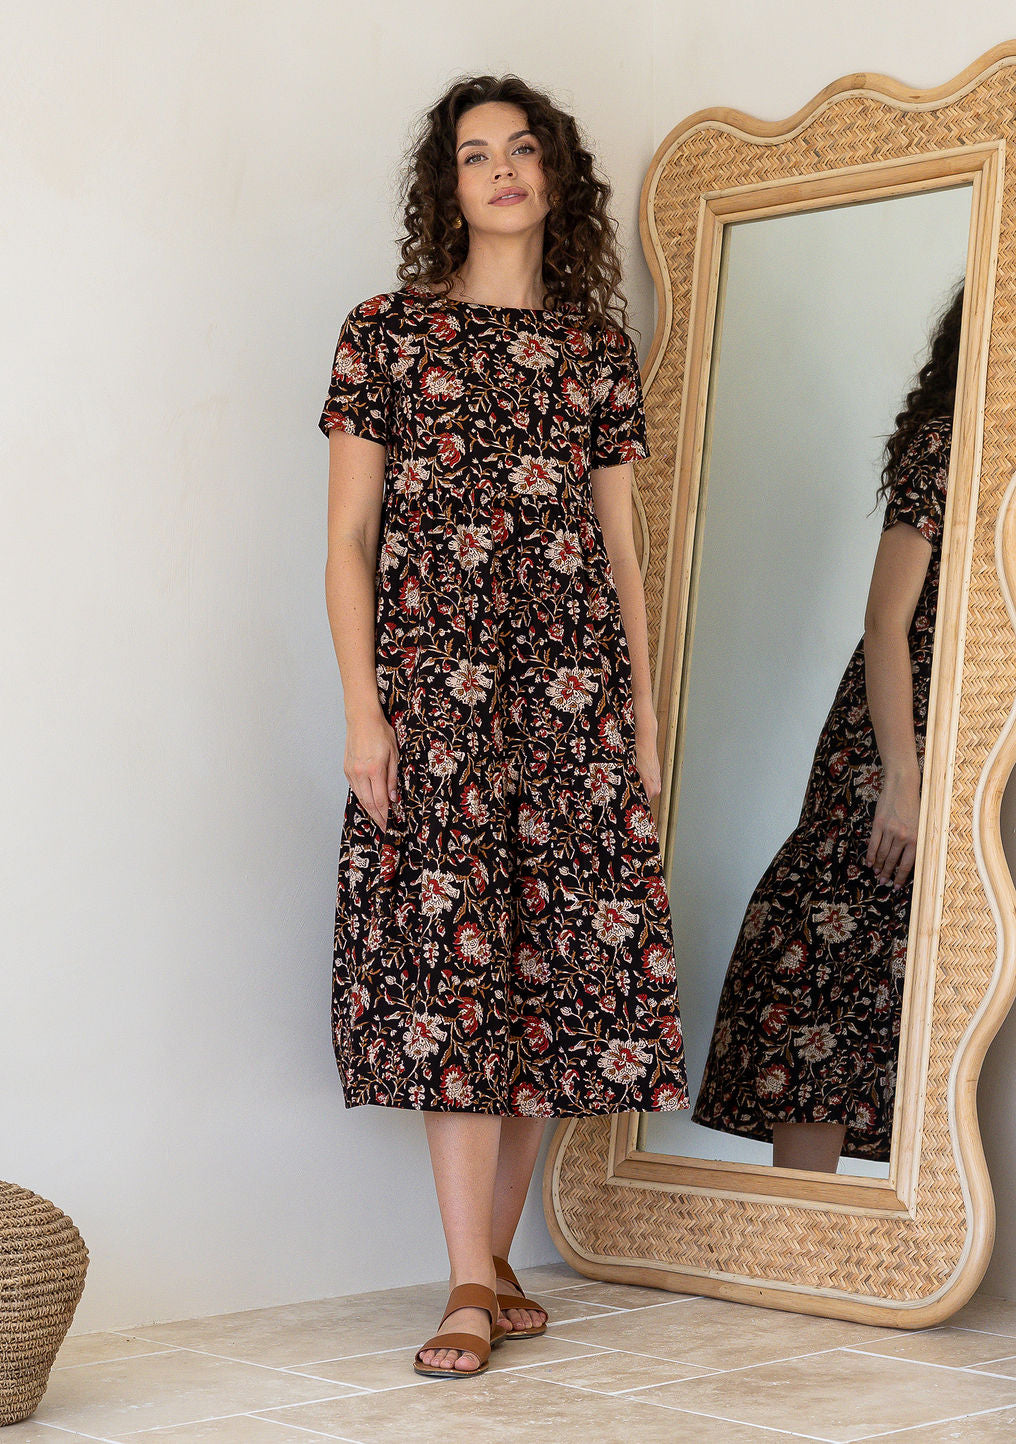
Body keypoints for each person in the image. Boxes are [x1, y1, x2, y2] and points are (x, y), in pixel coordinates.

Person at [319, 73, 688, 1379]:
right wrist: (364, 711)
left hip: (574, 700)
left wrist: (643, 714)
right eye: (475, 155)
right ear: (449, 188)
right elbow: (349, 540)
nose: (502, 169)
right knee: (455, 975)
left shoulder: (595, 351)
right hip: (438, 700)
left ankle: (493, 1256)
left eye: (521, 148)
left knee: (556, 979)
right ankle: (468, 1281)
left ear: (553, 174)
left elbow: (621, 551)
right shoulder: (385, 334)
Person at [691, 283, 963, 1174]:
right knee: (827, 965)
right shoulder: (946, 445)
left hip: (972, 740)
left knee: (908, 985)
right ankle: (797, 1223)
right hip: (892, 741)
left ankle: (850, 1230)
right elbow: (885, 621)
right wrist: (902, 776)